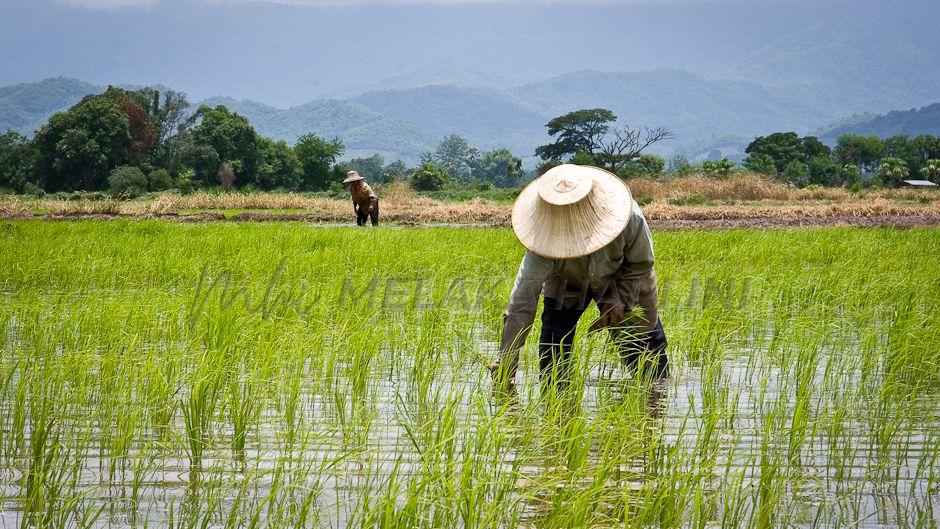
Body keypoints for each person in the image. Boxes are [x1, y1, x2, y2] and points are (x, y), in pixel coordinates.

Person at [491, 164, 668, 392]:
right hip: (566, 282)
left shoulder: (629, 218)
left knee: (649, 357)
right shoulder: (541, 239)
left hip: (621, 279)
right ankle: (558, 415)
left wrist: (620, 300)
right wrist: (507, 360)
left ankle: (653, 403)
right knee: (553, 359)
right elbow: (523, 300)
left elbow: (641, 266)